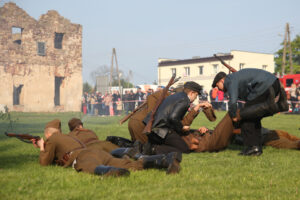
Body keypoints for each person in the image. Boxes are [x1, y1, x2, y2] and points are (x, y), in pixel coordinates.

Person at [33, 119, 182, 176]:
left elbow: (44, 162)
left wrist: (41, 147)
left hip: (83, 156)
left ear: (47, 134)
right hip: (97, 152)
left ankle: (111, 172)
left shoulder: (53, 138)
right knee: (128, 163)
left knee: (89, 166)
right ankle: (165, 160)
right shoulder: (68, 136)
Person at [212, 69, 289, 156]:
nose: (219, 90)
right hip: (273, 83)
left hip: (263, 86)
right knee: (254, 116)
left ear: (222, 80)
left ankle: (252, 147)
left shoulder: (229, 80)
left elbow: (233, 102)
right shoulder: (236, 78)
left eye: (218, 86)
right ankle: (257, 147)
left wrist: (234, 115)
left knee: (245, 117)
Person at [128, 86, 216, 144]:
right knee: (143, 151)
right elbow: (151, 98)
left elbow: (181, 122)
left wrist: (196, 109)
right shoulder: (167, 96)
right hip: (140, 123)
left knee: (137, 147)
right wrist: (152, 116)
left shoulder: (177, 102)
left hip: (141, 123)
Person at [142, 81, 211, 154]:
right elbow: (173, 118)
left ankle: (146, 146)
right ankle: (153, 149)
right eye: (196, 95)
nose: (195, 98)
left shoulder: (176, 96)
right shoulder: (185, 100)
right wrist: (182, 127)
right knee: (185, 149)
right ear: (191, 93)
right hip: (161, 131)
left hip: (153, 128)